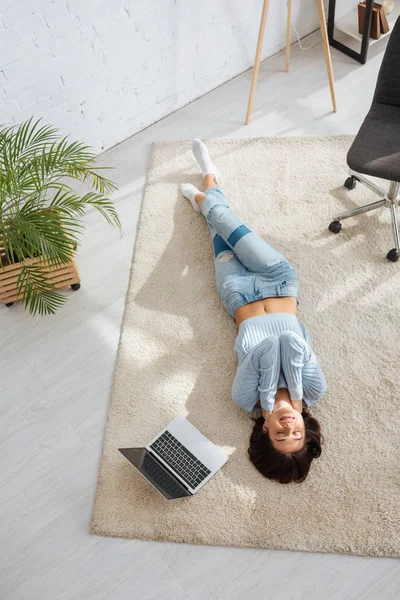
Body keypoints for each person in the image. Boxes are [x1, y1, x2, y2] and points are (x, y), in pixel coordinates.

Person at [180, 139, 327, 484]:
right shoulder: (315, 390)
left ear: (265, 429)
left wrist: (266, 397)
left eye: (280, 436)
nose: (289, 427)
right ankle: (205, 190)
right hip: (280, 280)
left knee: (219, 232)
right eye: (297, 434)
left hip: (237, 295)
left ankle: (211, 183)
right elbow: (290, 340)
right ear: (306, 427)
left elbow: (264, 349)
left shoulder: (243, 398)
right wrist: (296, 392)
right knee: (223, 219)